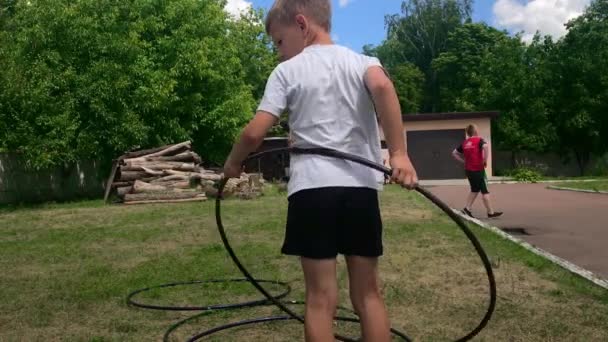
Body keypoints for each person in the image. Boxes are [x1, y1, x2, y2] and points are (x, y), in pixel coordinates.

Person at [223, 1, 418, 341]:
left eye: (280, 42)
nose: (279, 53)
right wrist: (399, 154)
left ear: (302, 24)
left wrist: (233, 162)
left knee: (320, 299)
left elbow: (254, 133)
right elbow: (383, 87)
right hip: (360, 190)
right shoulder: (363, 62)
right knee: (369, 294)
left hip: (312, 191)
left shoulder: (287, 72)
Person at [452, 124, 503, 219]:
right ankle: (490, 213)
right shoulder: (479, 140)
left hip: (468, 170)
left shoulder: (465, 143)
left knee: (475, 189)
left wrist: (463, 161)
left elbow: (454, 153)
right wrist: (485, 160)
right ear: (475, 131)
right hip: (478, 169)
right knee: (485, 191)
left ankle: (467, 209)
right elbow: (486, 147)